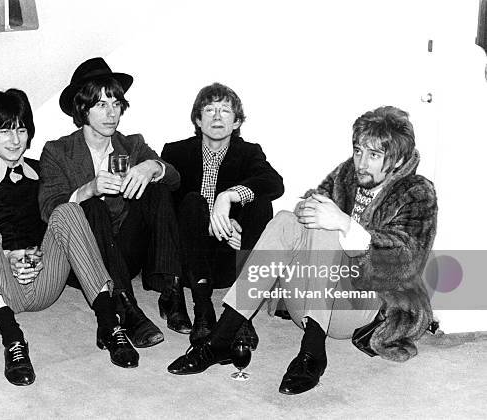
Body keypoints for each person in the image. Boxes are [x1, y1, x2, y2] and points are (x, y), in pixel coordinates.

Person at [167, 106, 437, 396]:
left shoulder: (417, 192)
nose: (361, 162)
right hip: (311, 303)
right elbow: (309, 203)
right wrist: (310, 211)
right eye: (358, 151)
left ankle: (312, 353)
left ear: (397, 161)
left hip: (364, 305)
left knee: (329, 226)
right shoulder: (348, 173)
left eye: (373, 155)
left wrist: (345, 225)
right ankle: (222, 338)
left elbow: (407, 261)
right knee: (286, 219)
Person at [0, 89, 139, 387]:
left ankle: (108, 323)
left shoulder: (39, 169)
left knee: (67, 209)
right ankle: (13, 340)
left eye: (21, 130)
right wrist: (7, 257)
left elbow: (64, 226)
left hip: (44, 279)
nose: (15, 140)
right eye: (5, 131)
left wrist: (36, 255)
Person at [39, 57, 191, 349]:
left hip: (125, 250)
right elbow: (49, 209)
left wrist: (153, 168)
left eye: (116, 104)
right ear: (82, 109)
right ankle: (126, 306)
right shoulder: (58, 151)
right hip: (85, 260)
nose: (111, 114)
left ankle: (171, 292)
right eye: (101, 105)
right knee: (91, 206)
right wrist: (88, 189)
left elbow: (175, 180)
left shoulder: (131, 144)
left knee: (157, 189)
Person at [161, 83, 283, 346]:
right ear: (198, 119)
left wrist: (228, 197)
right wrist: (213, 224)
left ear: (236, 122)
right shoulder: (175, 151)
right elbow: (170, 210)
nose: (217, 117)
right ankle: (203, 309)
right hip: (189, 261)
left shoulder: (249, 152)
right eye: (209, 109)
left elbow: (274, 183)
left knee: (261, 202)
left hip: (230, 259)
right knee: (192, 201)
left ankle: (242, 314)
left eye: (225, 111)